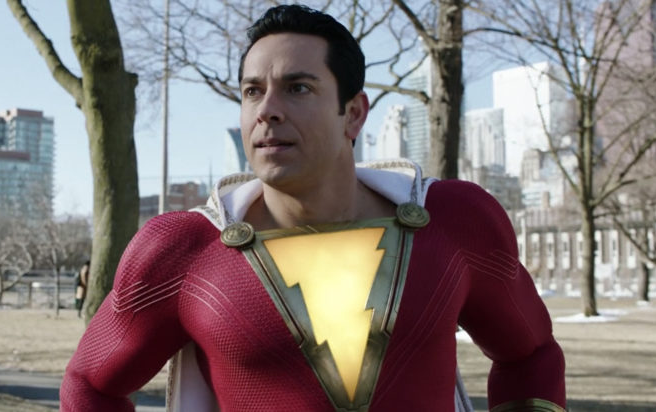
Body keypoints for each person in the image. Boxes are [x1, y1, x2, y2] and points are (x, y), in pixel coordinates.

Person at [60, 5, 566, 411]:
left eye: (297, 88)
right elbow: (90, 384)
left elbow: (532, 356)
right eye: (252, 92)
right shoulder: (181, 251)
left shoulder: (456, 223)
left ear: (354, 114)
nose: (267, 110)